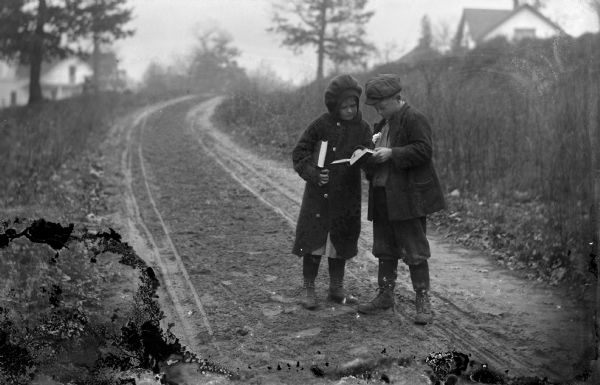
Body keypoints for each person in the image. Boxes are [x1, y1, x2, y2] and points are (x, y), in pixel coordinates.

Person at [357, 73, 445, 325]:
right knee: (384, 250)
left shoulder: (414, 119)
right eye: (375, 107)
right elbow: (377, 159)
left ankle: (423, 301)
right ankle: (385, 296)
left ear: (396, 99)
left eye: (381, 106)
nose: (379, 111)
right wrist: (367, 160)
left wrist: (392, 153)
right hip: (382, 196)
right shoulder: (381, 126)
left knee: (415, 250)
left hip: (408, 199)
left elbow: (424, 151)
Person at [291, 74, 373, 310]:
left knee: (341, 240)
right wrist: (313, 173)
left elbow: (369, 156)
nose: (349, 110)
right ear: (335, 106)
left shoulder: (363, 127)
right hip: (319, 195)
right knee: (315, 241)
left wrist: (365, 157)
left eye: (353, 105)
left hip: (347, 194)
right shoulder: (320, 125)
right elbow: (299, 153)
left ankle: (336, 288)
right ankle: (309, 287)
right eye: (344, 107)